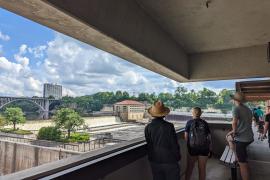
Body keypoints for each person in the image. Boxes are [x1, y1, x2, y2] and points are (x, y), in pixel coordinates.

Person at [145, 101, 181, 180]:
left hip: (155, 160)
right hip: (170, 160)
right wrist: (178, 157)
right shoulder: (169, 126)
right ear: (164, 114)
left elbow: (149, 145)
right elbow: (174, 144)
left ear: (152, 114)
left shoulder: (148, 127)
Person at [226, 92, 254, 180]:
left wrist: (234, 131)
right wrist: (233, 132)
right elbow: (245, 123)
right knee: (229, 137)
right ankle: (237, 158)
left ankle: (238, 160)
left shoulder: (236, 108)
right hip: (249, 137)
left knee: (243, 164)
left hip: (242, 139)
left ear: (234, 100)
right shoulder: (248, 109)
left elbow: (234, 122)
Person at [184, 107, 212, 180]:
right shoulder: (205, 123)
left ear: (192, 113)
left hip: (193, 148)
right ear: (200, 113)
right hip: (204, 149)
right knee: (202, 169)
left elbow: (186, 137)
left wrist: (188, 148)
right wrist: (210, 149)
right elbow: (209, 137)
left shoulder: (189, 122)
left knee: (189, 168)